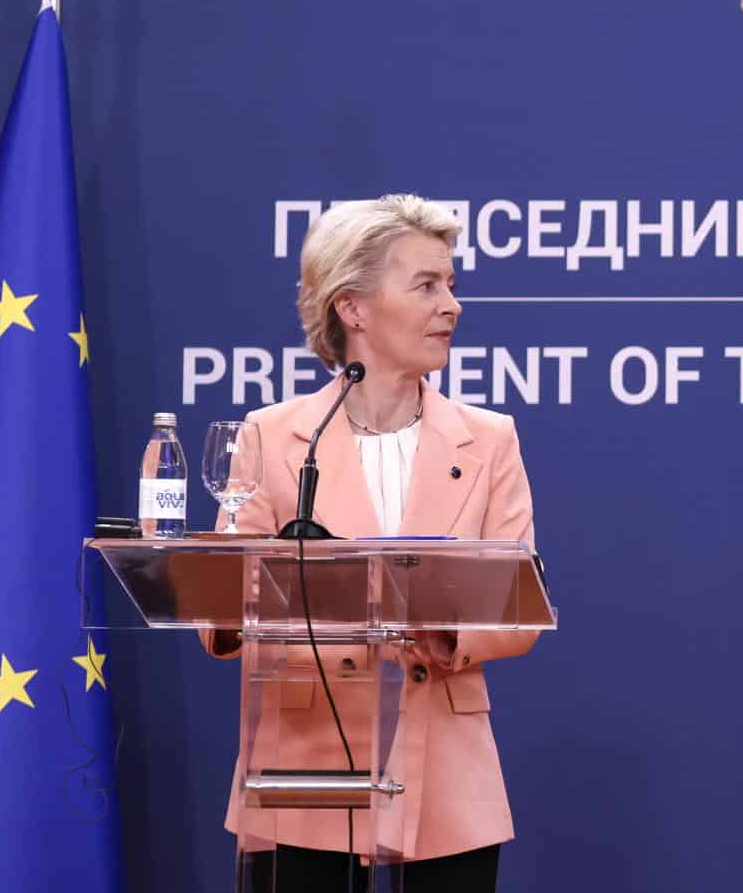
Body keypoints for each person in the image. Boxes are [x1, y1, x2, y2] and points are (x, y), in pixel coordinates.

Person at [206, 194, 539, 892]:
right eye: (427, 284)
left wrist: (447, 629)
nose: (452, 304)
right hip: (302, 771)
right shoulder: (272, 436)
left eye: (452, 284)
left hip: (447, 780)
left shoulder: (489, 439)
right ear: (353, 308)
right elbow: (224, 605)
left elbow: (517, 605)